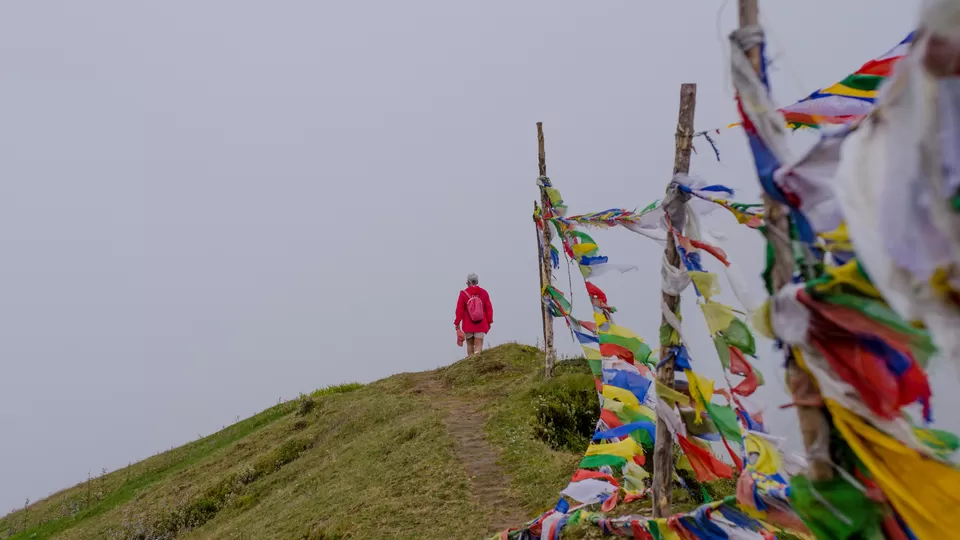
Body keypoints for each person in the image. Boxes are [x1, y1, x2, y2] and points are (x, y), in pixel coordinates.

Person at [454, 273, 493, 356]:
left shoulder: (463, 294)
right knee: (478, 345)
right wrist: (489, 321)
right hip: (481, 323)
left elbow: (459, 310)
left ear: (468, 282)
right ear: (477, 282)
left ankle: (471, 360)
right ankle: (477, 358)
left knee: (470, 345)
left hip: (468, 324)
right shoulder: (484, 293)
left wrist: (457, 323)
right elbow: (489, 309)